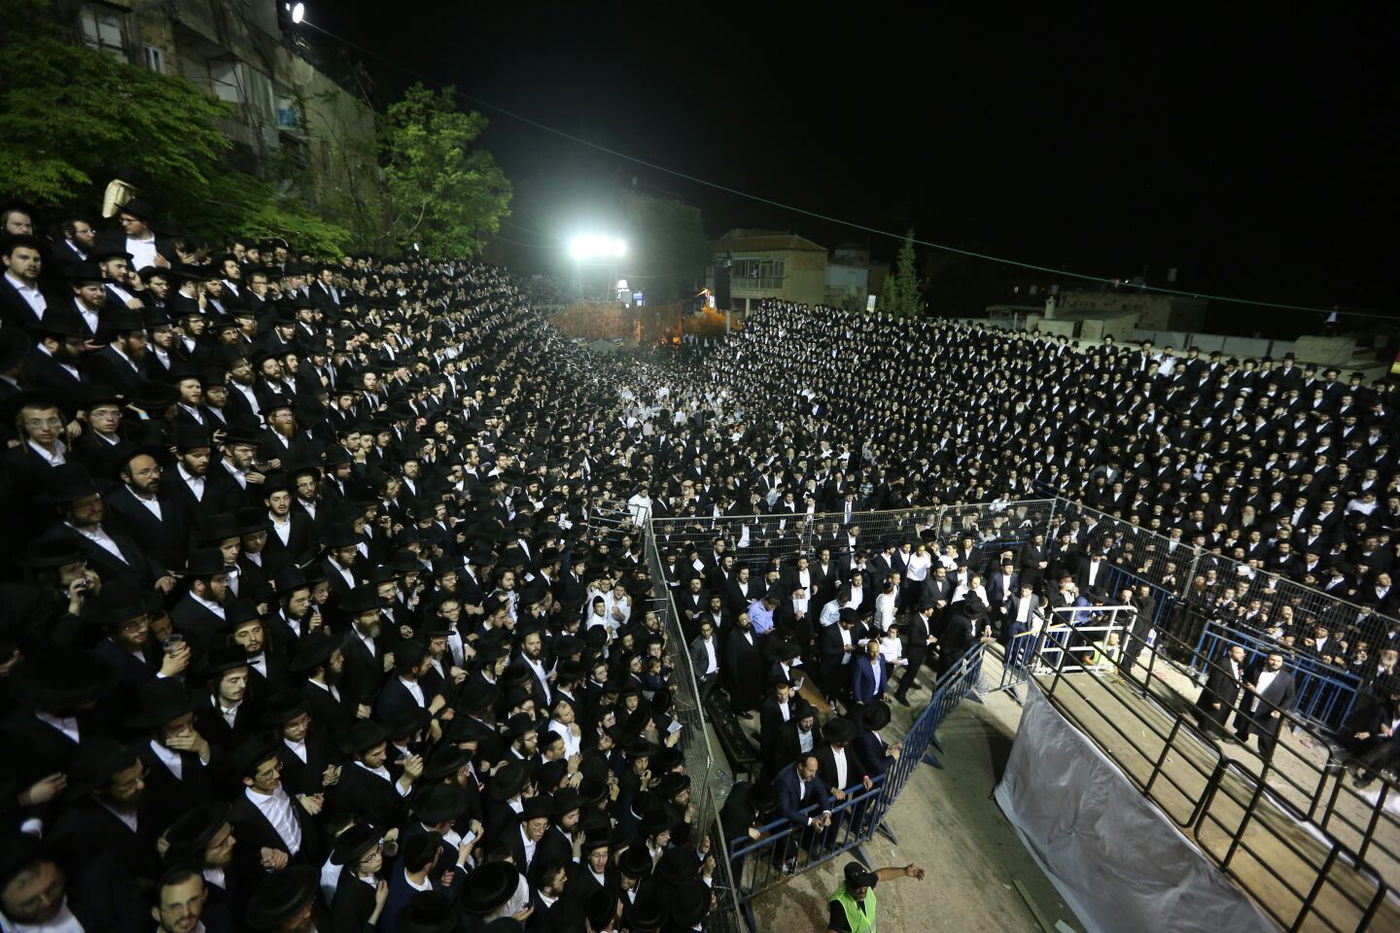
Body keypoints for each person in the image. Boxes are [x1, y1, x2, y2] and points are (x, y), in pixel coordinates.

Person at [825, 858, 926, 933]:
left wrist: (904, 871)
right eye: (858, 887)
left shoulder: (866, 884)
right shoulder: (839, 906)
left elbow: (881, 874)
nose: (863, 890)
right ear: (848, 885)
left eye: (864, 884)